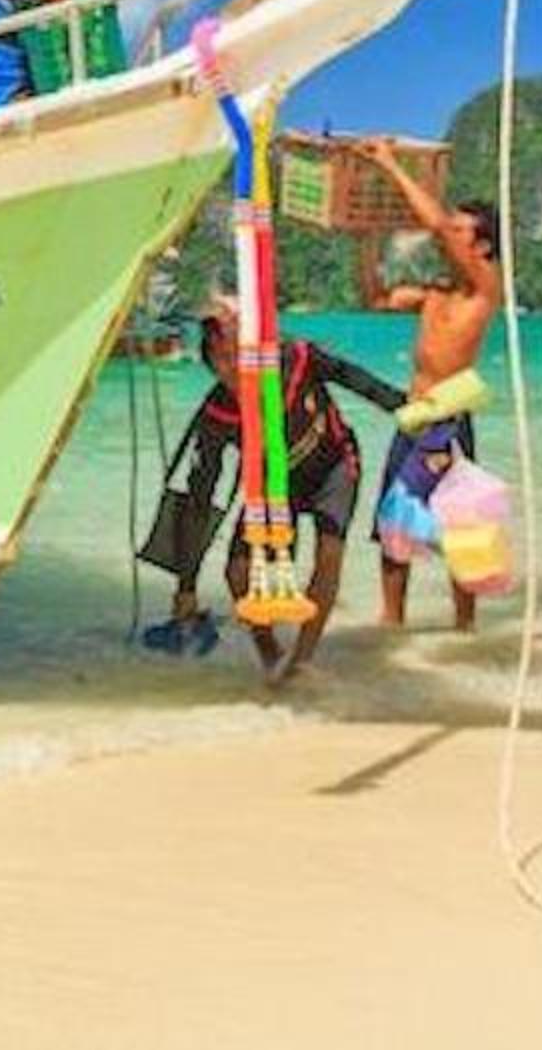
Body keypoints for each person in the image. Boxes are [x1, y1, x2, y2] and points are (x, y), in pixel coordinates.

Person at [144, 298, 406, 685]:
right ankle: (271, 656)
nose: (235, 366)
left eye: (240, 353)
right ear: (210, 364)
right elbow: (202, 494)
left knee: (329, 554)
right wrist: (186, 585)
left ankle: (301, 662)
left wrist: (404, 407)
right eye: (222, 359)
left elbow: (350, 376)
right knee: (237, 571)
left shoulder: (296, 359)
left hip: (333, 466)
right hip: (274, 481)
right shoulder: (217, 412)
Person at [361, 137, 505, 631]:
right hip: (412, 419)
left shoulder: (485, 286)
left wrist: (388, 163)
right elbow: (376, 299)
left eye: (461, 230)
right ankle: (390, 625)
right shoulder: (436, 293)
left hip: (447, 422)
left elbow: (436, 226)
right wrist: (366, 241)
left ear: (482, 247)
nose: (448, 234)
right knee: (392, 523)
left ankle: (465, 630)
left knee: (462, 527)